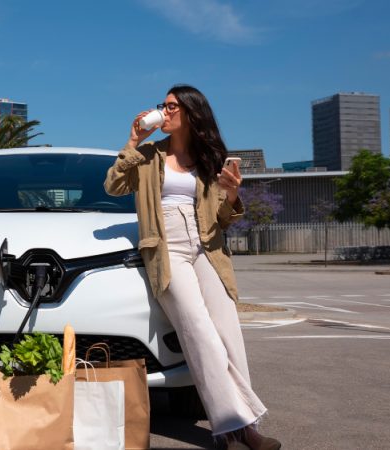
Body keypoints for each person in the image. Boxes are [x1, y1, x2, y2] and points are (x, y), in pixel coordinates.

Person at [104, 84, 281, 450]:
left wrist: (232, 194)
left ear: (190, 113)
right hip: (167, 252)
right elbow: (114, 185)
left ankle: (247, 428)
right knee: (200, 334)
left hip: (208, 250)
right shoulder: (150, 155)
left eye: (171, 107)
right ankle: (232, 429)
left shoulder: (207, 161)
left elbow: (223, 218)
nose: (164, 112)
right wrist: (133, 140)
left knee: (229, 335)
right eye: (162, 106)